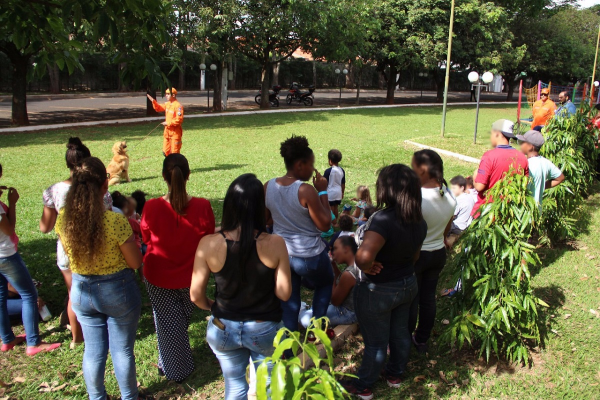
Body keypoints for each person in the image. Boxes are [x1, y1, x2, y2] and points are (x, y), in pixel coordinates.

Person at [190, 174, 291, 400]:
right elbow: (284, 293)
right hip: (264, 329)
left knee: (234, 388)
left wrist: (211, 305)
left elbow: (195, 295)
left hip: (223, 327)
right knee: (268, 388)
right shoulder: (275, 243)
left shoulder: (208, 243)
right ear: (259, 207)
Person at [56, 157, 142, 399]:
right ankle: (129, 396)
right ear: (105, 185)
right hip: (118, 291)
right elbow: (136, 262)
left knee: (93, 351)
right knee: (122, 351)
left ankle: (97, 397)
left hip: (82, 291)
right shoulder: (116, 221)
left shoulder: (64, 219)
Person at [343, 164, 427, 399]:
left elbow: (362, 258)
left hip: (378, 290)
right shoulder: (419, 220)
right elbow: (416, 256)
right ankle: (395, 374)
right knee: (400, 333)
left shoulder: (382, 219)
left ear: (386, 190)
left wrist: (369, 265)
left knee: (376, 342)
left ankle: (364, 386)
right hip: (407, 284)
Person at [141, 154, 215, 382]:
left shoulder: (151, 206)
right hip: (191, 276)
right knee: (173, 321)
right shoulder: (202, 206)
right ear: (189, 175)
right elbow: (209, 239)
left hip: (160, 274)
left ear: (164, 177)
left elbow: (145, 237)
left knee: (169, 322)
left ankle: (176, 369)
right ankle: (174, 365)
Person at [39, 137, 113, 348]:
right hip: (96, 248)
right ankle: (100, 334)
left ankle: (76, 339)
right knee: (99, 291)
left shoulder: (53, 191)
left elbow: (45, 227)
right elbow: (108, 220)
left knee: (75, 294)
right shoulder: (100, 192)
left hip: (67, 251)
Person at [264, 136, 334, 336]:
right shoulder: (306, 190)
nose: (313, 169)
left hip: (283, 254)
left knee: (290, 299)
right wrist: (322, 192)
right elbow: (325, 224)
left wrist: (284, 216)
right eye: (311, 164)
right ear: (299, 164)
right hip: (308, 254)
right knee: (325, 282)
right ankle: (316, 330)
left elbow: (266, 220)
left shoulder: (268, 186)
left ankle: (289, 346)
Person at [1, 164, 61, 356]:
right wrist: (12, 203)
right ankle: (34, 343)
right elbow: (9, 229)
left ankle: (7, 339)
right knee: (29, 295)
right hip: (6, 255)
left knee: (1, 297)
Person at [409, 150, 456, 353]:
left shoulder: (416, 198)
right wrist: (441, 238)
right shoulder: (449, 196)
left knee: (411, 300)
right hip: (438, 253)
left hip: (417, 256)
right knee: (428, 298)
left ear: (423, 170)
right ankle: (422, 339)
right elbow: (447, 228)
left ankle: (404, 337)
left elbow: (408, 230)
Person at [300, 236, 362, 328]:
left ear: (346, 249)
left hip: (347, 313)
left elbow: (335, 301)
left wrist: (330, 274)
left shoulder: (349, 274)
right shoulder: (357, 265)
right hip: (352, 310)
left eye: (335, 248)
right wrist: (333, 265)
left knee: (304, 319)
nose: (333, 252)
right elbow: (340, 281)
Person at [472, 119, 529, 217]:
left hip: (488, 213)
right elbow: (524, 185)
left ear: (497, 133)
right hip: (510, 213)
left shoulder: (489, 156)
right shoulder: (522, 157)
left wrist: (475, 175)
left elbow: (479, 186)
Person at [516, 130, 565, 209]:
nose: (520, 145)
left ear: (531, 147)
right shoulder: (545, 162)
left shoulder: (526, 164)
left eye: (522, 142)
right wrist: (541, 186)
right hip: (537, 210)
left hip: (523, 211)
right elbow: (560, 178)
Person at [147, 88, 184, 156]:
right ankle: (169, 165)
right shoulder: (167, 104)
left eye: (168, 94)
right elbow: (158, 108)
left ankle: (175, 166)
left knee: (174, 153)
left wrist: (168, 123)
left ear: (173, 95)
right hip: (167, 132)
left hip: (175, 132)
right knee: (165, 152)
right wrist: (153, 101)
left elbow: (179, 120)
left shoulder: (178, 106)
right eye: (166, 94)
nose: (166, 95)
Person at [447, 175, 474, 246]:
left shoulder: (459, 200)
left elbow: (451, 216)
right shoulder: (469, 197)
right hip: (466, 226)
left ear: (462, 188)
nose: (451, 190)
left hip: (456, 228)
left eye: (454, 188)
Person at [323, 149, 346, 224]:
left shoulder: (328, 171)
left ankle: (332, 222)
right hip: (338, 192)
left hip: (330, 193)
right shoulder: (342, 170)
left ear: (330, 160)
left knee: (330, 209)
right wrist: (342, 192)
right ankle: (335, 221)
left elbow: (324, 183)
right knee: (336, 208)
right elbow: (343, 183)